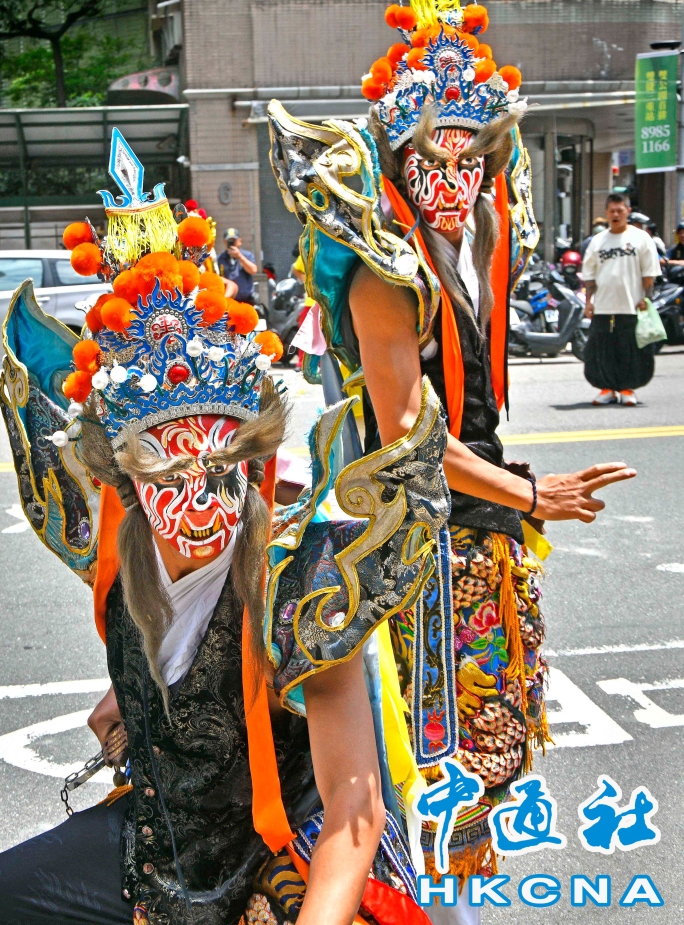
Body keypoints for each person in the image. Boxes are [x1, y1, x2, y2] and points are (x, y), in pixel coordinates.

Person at [0, 129, 450, 925]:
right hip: (170, 848)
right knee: (5, 889)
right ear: (126, 480)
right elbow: (173, 643)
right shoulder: (114, 562)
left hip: (276, 851)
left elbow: (353, 805)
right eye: (169, 478)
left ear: (248, 460)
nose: (199, 505)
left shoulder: (303, 584)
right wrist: (134, 699)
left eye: (220, 471)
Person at [270, 3, 635, 920]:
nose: (451, 179)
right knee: (429, 767)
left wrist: (515, 502)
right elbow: (407, 436)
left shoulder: (481, 242)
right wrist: (532, 494)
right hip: (415, 543)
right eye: (432, 160)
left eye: (468, 159)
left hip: (478, 530)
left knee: (484, 761)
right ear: (398, 163)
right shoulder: (383, 274)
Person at [582, 192, 662, 406]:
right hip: (603, 306)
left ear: (628, 211)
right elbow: (589, 276)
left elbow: (649, 274)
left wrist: (646, 298)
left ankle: (627, 389)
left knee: (630, 350)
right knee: (602, 349)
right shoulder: (598, 241)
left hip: (632, 306)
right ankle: (607, 389)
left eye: (620, 210)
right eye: (612, 211)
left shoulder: (641, 238)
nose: (616, 215)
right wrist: (588, 302)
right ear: (606, 213)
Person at [217, 227, 258, 304]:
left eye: (233, 240)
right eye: (229, 241)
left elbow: (253, 270)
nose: (231, 243)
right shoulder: (220, 258)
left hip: (246, 301)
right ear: (224, 242)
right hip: (229, 300)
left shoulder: (247, 255)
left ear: (240, 241)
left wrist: (239, 256)